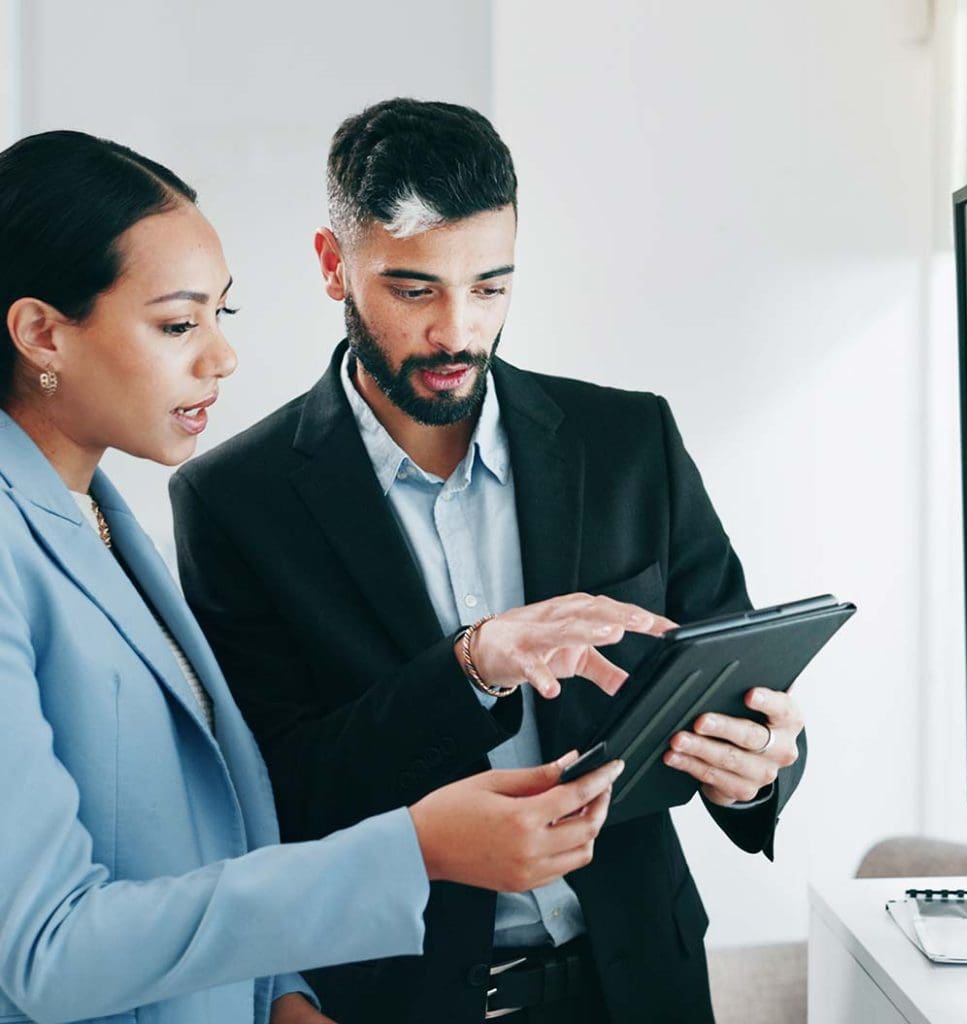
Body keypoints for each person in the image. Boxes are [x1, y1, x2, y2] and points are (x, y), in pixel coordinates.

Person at [170, 99, 807, 1024]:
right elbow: (274, 792)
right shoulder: (234, 500)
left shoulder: (629, 442)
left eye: (490, 288)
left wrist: (761, 766)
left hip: (639, 985)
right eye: (414, 291)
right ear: (332, 264)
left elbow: (736, 681)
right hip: (395, 1002)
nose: (457, 332)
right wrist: (468, 667)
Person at [0, 129, 634, 1024]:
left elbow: (207, 830)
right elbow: (45, 949)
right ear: (40, 333)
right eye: (178, 324)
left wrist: (281, 997)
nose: (221, 358)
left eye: (223, 314)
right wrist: (414, 851)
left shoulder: (99, 516)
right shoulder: (137, 516)